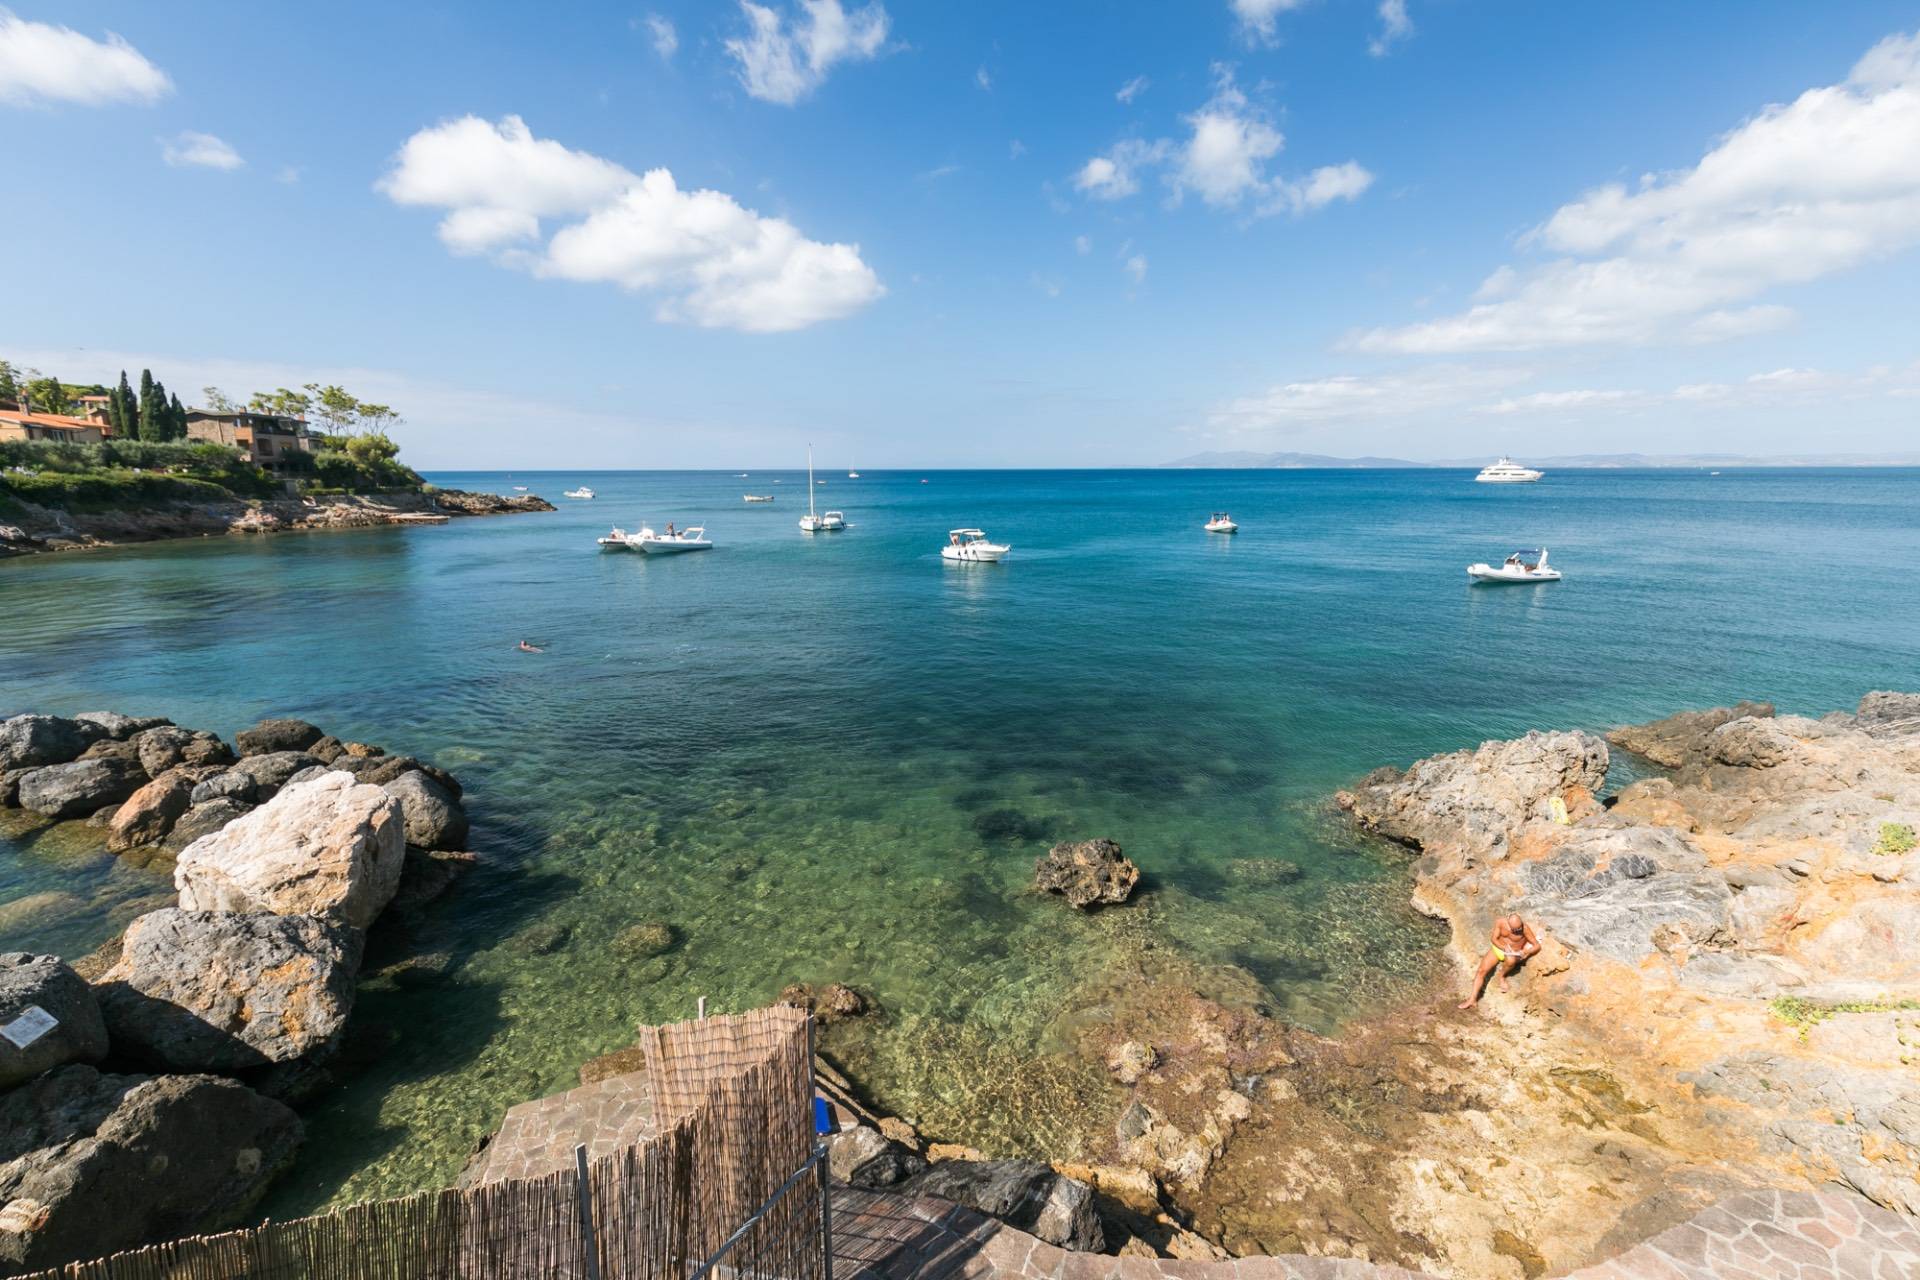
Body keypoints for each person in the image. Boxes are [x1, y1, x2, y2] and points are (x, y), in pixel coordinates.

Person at [1458, 913, 1540, 1009]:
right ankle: (1472, 1000)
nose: (1517, 931)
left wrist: (1525, 952)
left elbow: (1537, 945)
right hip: (1499, 949)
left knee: (1511, 961)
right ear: (1508, 922)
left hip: (1513, 953)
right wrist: (1503, 947)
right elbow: (1493, 939)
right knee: (1481, 971)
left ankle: (1502, 976)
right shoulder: (1500, 922)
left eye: (1518, 928)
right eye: (1514, 929)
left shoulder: (1525, 928)